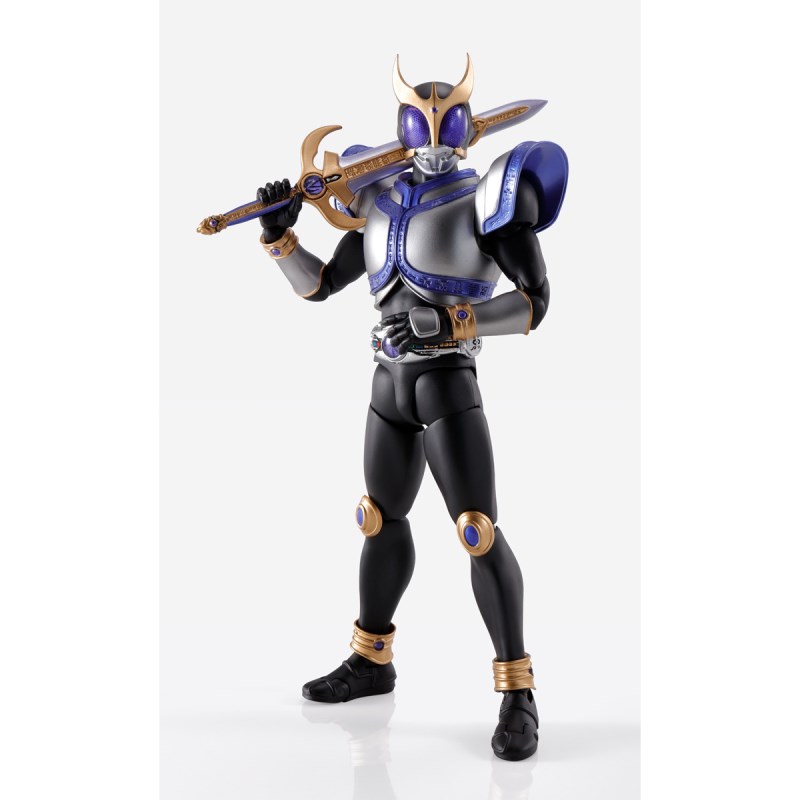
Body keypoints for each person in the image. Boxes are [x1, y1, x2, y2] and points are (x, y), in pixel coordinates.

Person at [256, 56, 567, 761]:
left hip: (447, 384)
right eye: (416, 123)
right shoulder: (379, 201)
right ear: (398, 128)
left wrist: (453, 321)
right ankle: (371, 659)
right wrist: (279, 238)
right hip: (387, 386)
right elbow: (319, 286)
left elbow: (534, 305)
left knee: (477, 531)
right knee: (377, 519)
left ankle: (518, 690)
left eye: (447, 123)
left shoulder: (488, 200)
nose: (431, 137)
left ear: (467, 127)